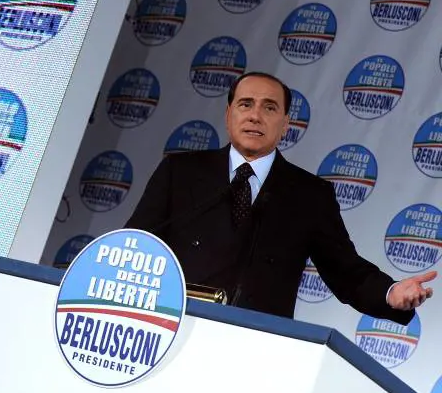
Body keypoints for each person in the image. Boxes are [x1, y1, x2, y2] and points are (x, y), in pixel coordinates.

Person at [125, 72, 434, 325]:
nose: (255, 116)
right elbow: (133, 247)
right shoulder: (180, 171)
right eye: (245, 104)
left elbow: (347, 272)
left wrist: (390, 293)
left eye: (269, 108)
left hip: (257, 343)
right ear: (228, 115)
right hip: (172, 328)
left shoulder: (310, 194)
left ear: (286, 124)